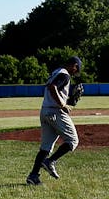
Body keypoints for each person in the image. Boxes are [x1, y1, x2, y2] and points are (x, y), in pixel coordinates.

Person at [26, 56, 83, 186]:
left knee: (45, 147)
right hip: (55, 112)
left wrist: (70, 101)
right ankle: (50, 161)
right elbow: (53, 87)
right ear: (73, 65)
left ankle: (33, 176)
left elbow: (54, 91)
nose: (75, 72)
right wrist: (63, 105)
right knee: (73, 140)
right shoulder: (65, 74)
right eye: (76, 69)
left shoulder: (57, 72)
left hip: (45, 110)